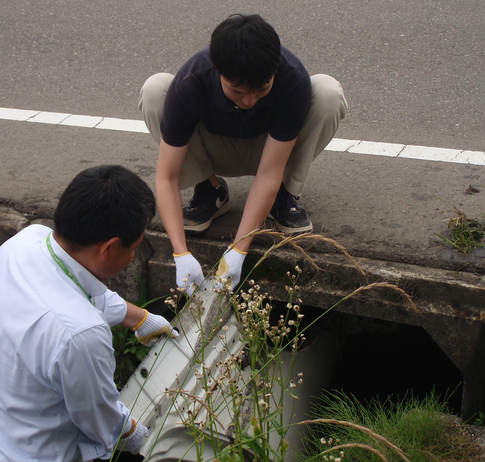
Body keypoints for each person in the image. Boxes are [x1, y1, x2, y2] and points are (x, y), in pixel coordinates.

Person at [0, 165, 178, 462]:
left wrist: (139, 318)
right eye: (133, 248)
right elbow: (102, 420)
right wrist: (147, 437)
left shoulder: (24, 244)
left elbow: (78, 291)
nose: (133, 256)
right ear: (108, 248)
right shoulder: (81, 335)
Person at [139, 13, 348, 294]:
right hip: (215, 150)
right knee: (155, 89)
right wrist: (180, 253)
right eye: (236, 91)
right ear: (217, 69)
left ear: (274, 69)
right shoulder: (192, 80)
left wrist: (238, 251)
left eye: (262, 89)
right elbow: (167, 178)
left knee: (327, 92)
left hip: (272, 153)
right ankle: (210, 188)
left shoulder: (291, 76)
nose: (249, 101)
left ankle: (282, 196)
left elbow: (268, 172)